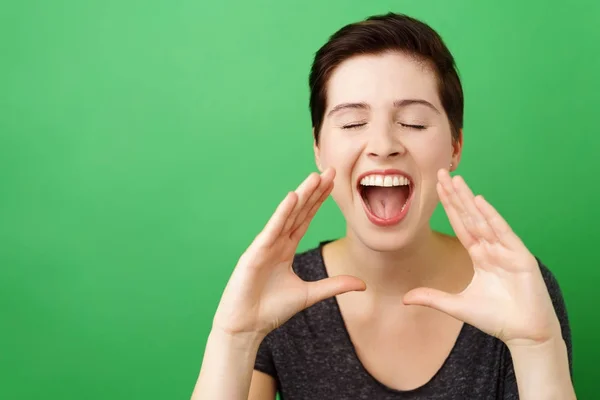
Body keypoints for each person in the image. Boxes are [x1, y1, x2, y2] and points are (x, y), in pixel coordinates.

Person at [190, 12, 575, 400]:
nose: (383, 144)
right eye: (353, 123)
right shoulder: (278, 292)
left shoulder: (517, 287)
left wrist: (538, 348)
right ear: (319, 149)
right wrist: (233, 338)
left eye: (413, 122)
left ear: (455, 146)